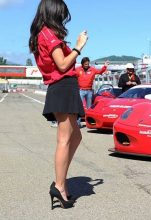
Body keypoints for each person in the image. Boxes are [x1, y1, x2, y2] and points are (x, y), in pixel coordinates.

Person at [29, 0, 87, 209]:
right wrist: (79, 47)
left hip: (66, 87)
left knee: (76, 135)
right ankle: (59, 185)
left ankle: (60, 181)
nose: (63, 19)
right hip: (62, 85)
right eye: (61, 15)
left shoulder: (44, 34)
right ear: (54, 13)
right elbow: (62, 65)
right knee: (64, 138)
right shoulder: (47, 34)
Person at [76, 57, 109, 127]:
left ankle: (89, 123)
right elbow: (72, 76)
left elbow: (100, 72)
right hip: (80, 90)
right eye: (85, 64)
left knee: (89, 108)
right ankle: (77, 123)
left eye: (87, 64)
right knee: (79, 107)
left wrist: (105, 66)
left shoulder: (92, 69)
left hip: (89, 91)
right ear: (82, 64)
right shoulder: (78, 70)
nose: (86, 65)